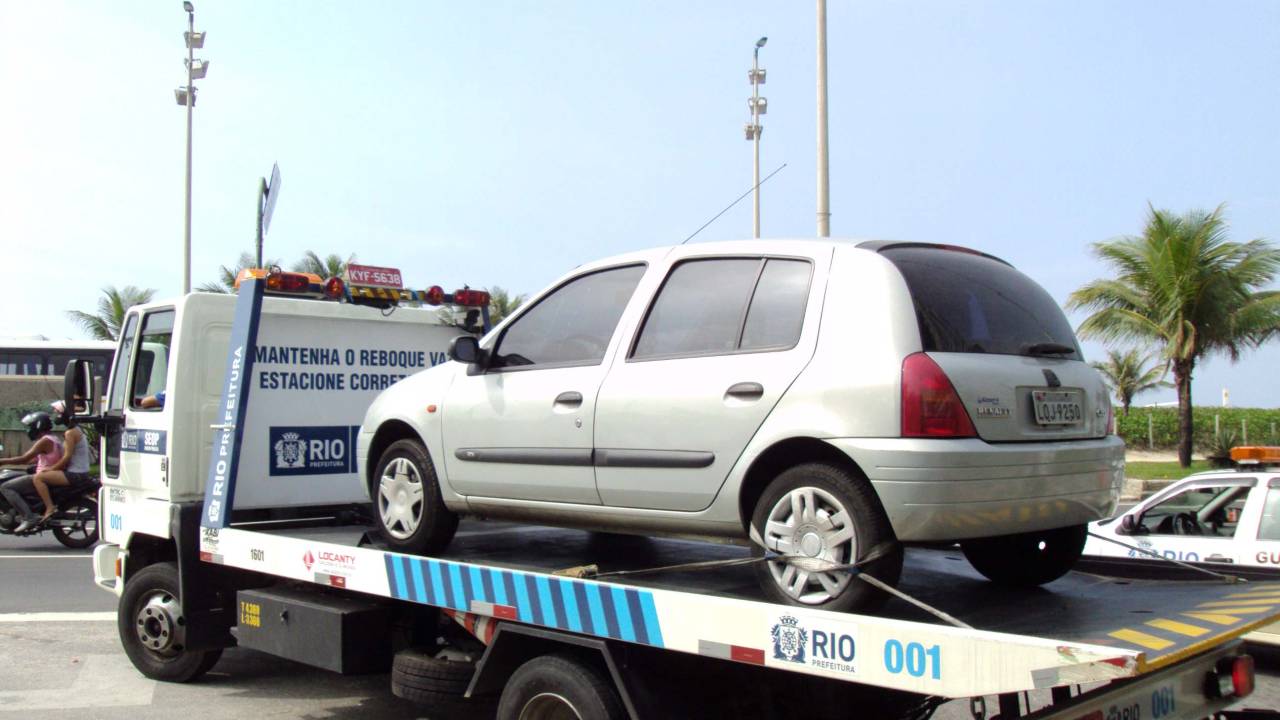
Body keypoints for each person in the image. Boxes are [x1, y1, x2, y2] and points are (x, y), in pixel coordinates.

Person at [31, 401, 92, 528]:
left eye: (58, 413)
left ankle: (49, 507)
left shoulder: (70, 433)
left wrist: (50, 469)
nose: (55, 416)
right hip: (78, 472)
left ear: (65, 415)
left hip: (76, 474)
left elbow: (67, 457)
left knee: (39, 477)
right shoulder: (75, 430)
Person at [0, 410, 63, 533]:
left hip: (43, 476)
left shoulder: (45, 441)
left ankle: (29, 517)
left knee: (5, 487)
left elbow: (24, 458)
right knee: (12, 476)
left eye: (31, 426)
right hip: (46, 474)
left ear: (38, 425)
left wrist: (2, 461)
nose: (29, 429)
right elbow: (32, 459)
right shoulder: (53, 438)